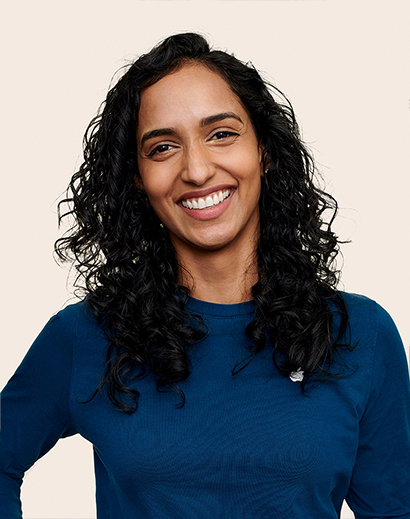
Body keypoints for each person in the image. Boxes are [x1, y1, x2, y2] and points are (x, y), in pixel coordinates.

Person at [0, 32, 409, 519]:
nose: (196, 170)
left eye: (222, 134)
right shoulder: (84, 336)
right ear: (136, 176)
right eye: (162, 147)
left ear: (265, 150)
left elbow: (393, 511)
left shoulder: (359, 334)